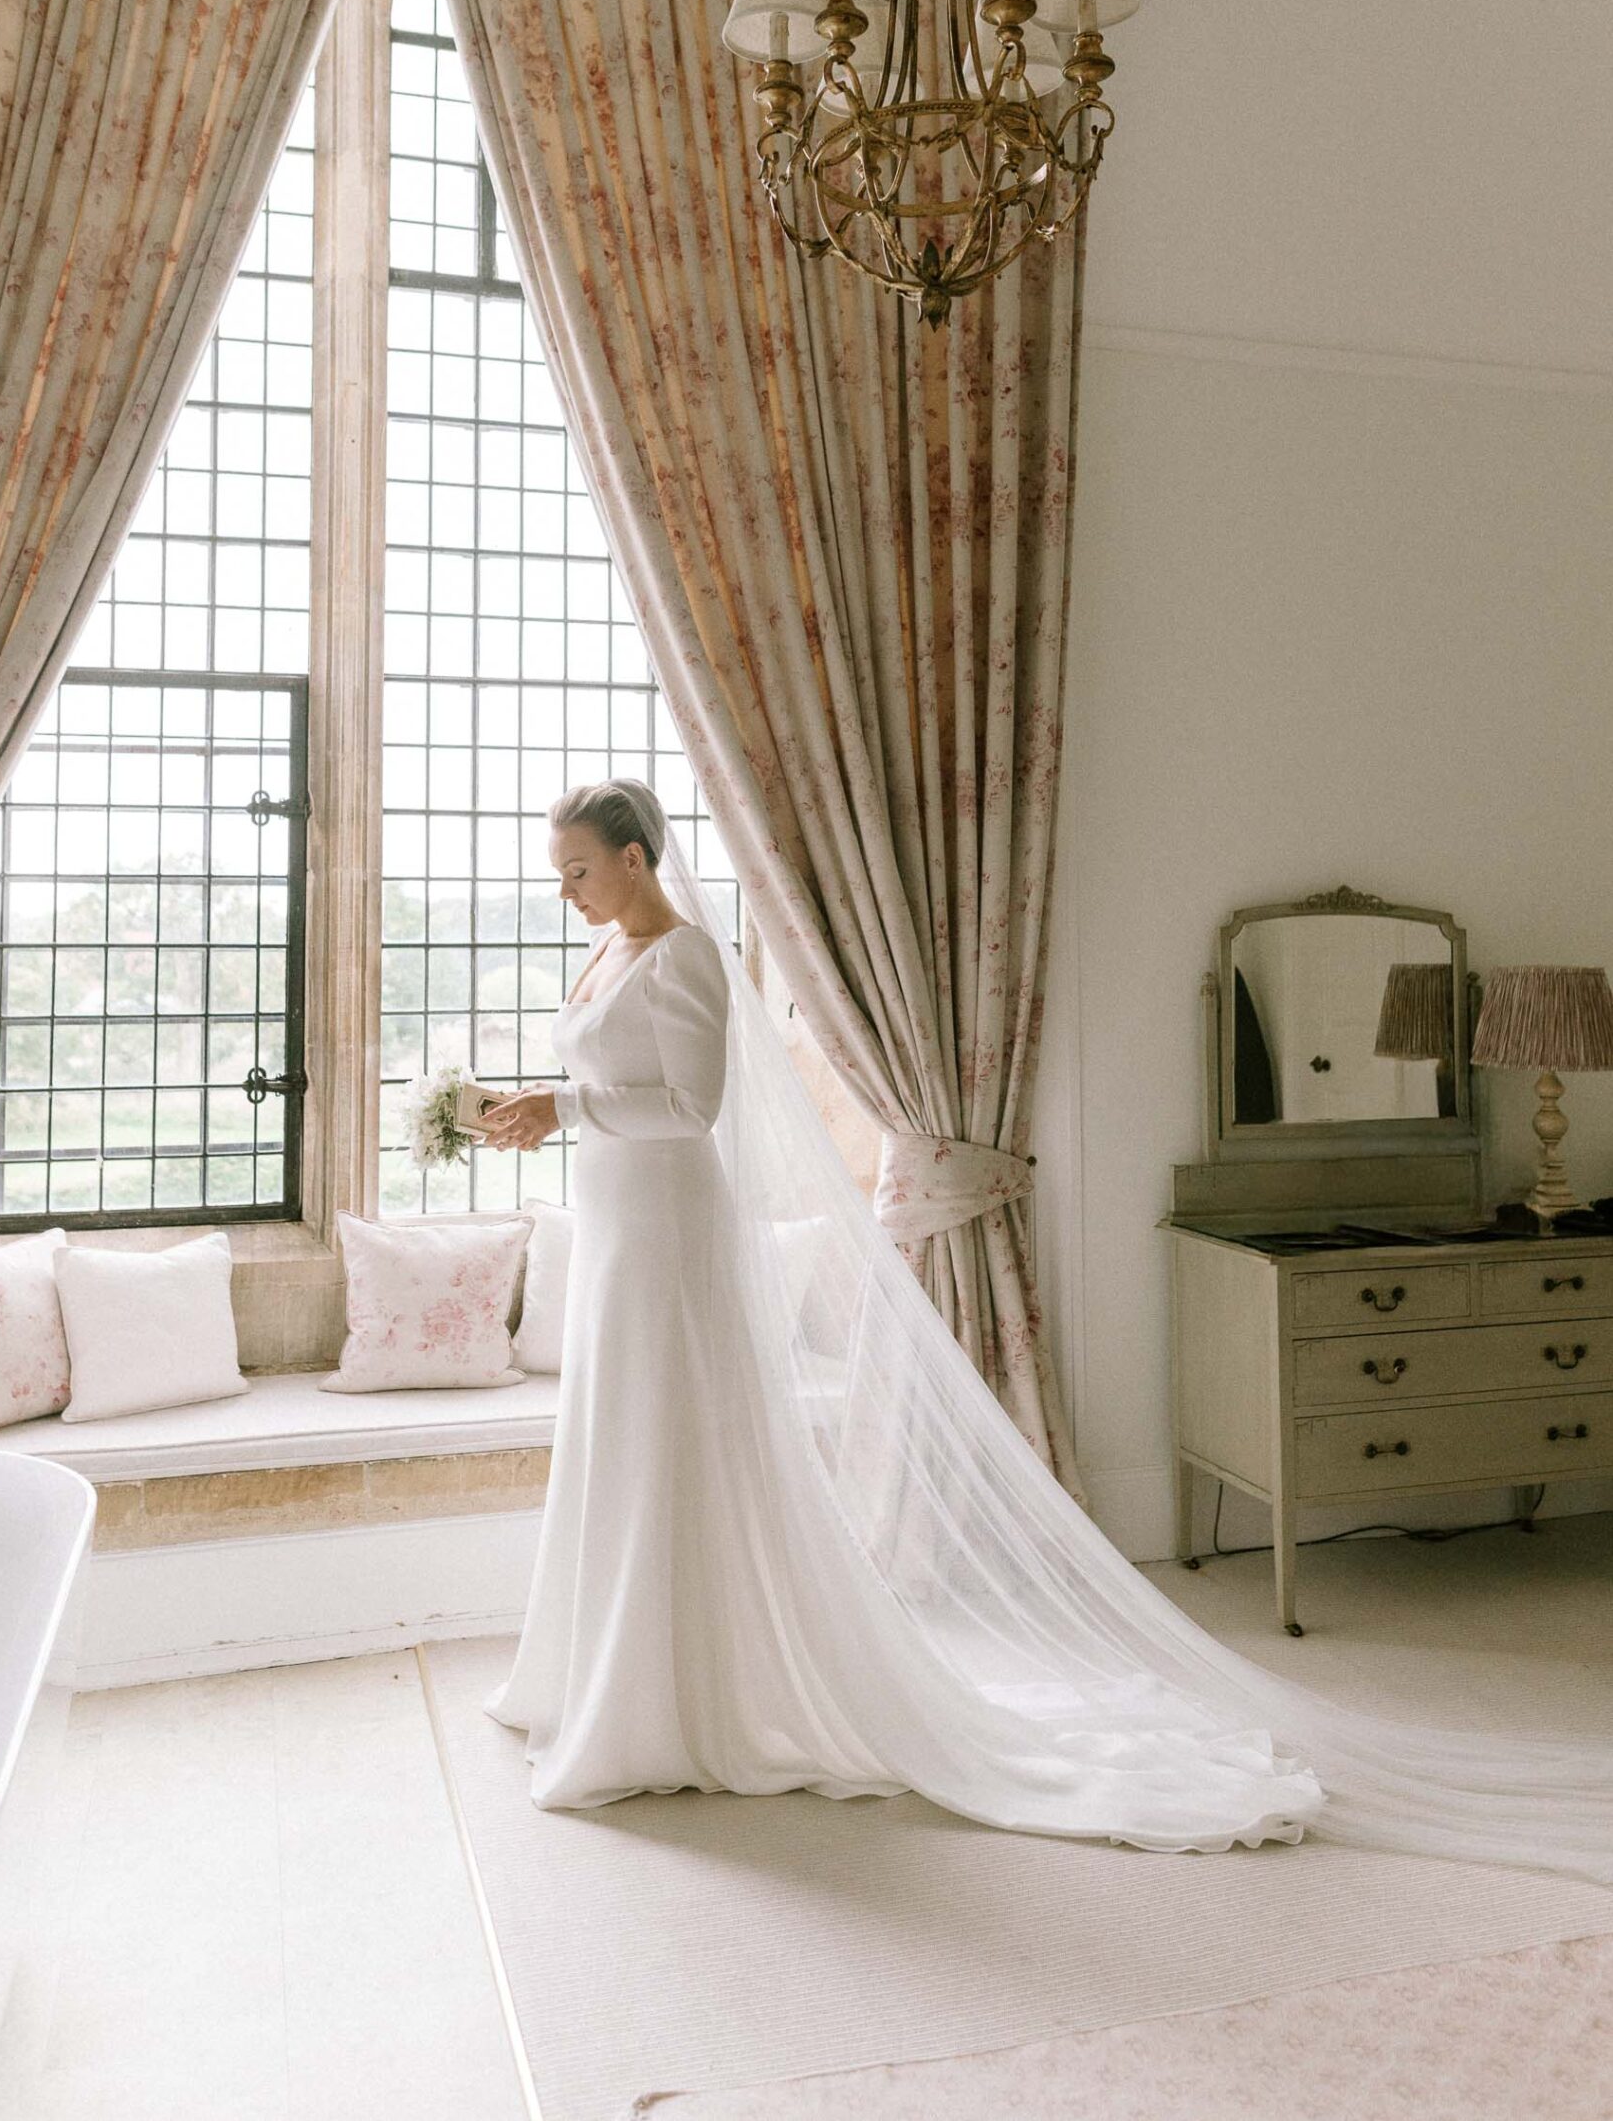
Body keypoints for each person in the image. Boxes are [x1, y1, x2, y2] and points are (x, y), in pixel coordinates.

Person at [481, 779, 1613, 1881]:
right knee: (619, 1435)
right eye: (560, 874)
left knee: (669, 1435)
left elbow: (693, 1108)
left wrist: (563, 1106)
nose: (568, 889)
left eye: (580, 869)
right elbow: (615, 1080)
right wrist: (535, 1110)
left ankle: (679, 1692)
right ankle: (609, 1668)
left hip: (670, 1232)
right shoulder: (607, 951)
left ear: (638, 859)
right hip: (621, 1223)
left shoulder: (684, 957)